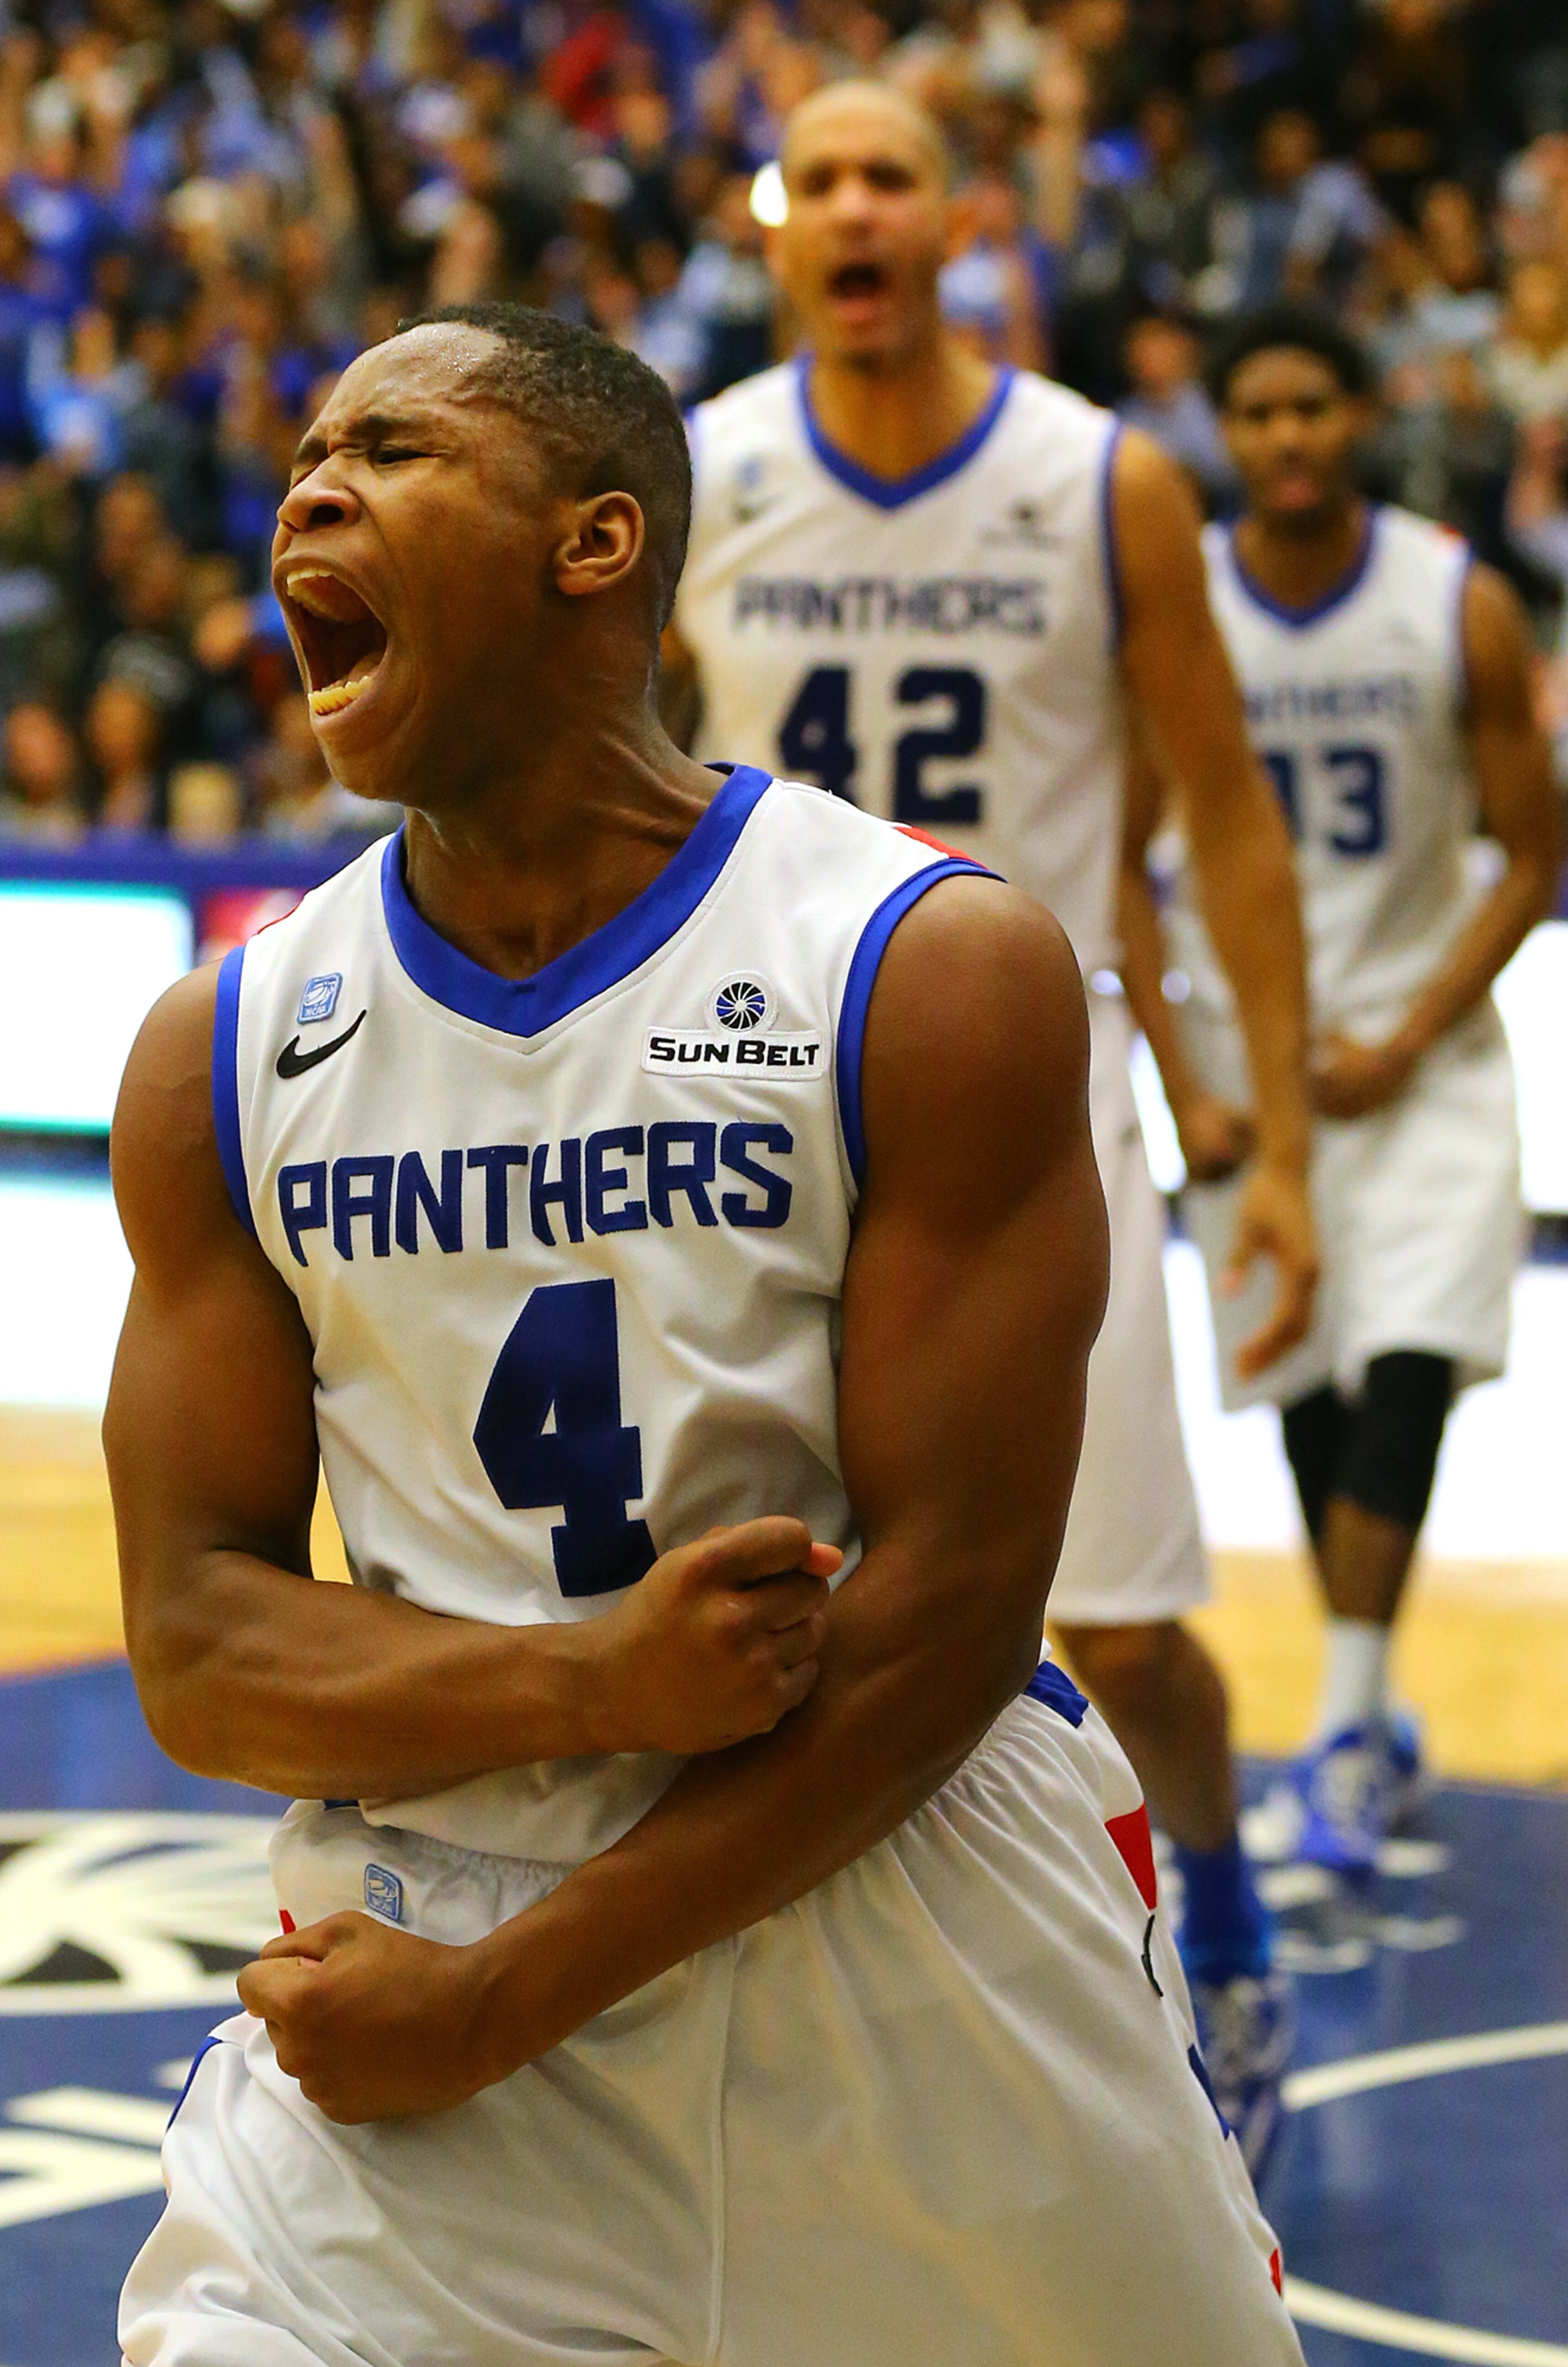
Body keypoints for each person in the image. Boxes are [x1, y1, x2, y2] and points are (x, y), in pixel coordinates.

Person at [105, 304, 1302, 2365]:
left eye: (391, 447)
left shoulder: (924, 969)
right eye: (305, 454)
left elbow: (942, 1620)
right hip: (424, 1941)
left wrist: (516, 1989)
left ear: (597, 544)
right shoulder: (226, 1046)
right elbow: (198, 1643)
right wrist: (586, 1681)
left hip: (902, 1923)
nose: (309, 485)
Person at [667, 78, 1315, 2168]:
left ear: (956, 219)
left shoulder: (1102, 480)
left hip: (1038, 1089)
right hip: (759, 1098)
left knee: (1114, 1616)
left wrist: (1277, 1138)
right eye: (816, 181)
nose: (854, 211)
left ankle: (1220, 1907)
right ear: (777, 232)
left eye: (889, 176)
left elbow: (1225, 809)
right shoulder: (701, 469)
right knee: (777, 1608)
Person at [1127, 304, 1563, 1883]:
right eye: (1258, 412)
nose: (1290, 437)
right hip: (1258, 1071)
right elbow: (1123, 861)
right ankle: (1371, 1724)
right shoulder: (1179, 619)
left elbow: (1535, 849)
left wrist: (1417, 1026)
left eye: (1317, 405)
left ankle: (1347, 1725)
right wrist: (1184, 1076)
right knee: (1308, 1401)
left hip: (1425, 1060)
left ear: (1365, 416)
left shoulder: (1458, 602)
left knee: (1407, 1373)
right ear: (1225, 435)